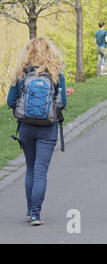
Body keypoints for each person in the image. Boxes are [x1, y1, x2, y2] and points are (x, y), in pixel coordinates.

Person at [7, 37, 67, 226]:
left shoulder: (20, 73)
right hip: (48, 128)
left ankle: (29, 210)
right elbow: (61, 103)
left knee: (31, 168)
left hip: (26, 127)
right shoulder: (56, 74)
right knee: (41, 171)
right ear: (51, 52)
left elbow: (10, 101)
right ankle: (35, 214)